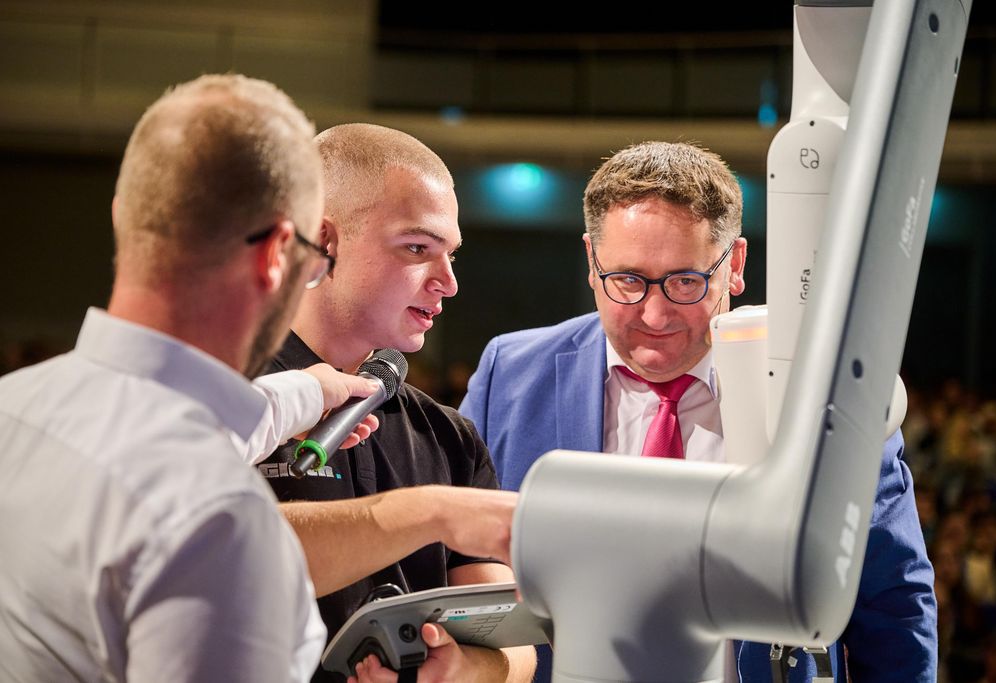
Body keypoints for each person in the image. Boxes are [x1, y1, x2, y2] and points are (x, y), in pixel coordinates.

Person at [460, 141, 937, 682]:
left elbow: (894, 600)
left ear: (733, 265)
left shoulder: (815, 388)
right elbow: (458, 566)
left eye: (685, 281)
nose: (656, 313)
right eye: (628, 281)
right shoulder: (511, 372)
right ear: (591, 262)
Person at [0, 74, 381, 682]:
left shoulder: (13, 407)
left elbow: (164, 424)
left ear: (127, 213)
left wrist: (310, 389)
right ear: (277, 253)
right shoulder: (218, 521)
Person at [258, 123, 536, 683]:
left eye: (451, 254)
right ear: (323, 242)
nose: (448, 282)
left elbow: (515, 644)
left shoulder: (448, 435)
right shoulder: (222, 399)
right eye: (417, 248)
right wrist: (424, 513)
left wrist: (467, 670)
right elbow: (223, 549)